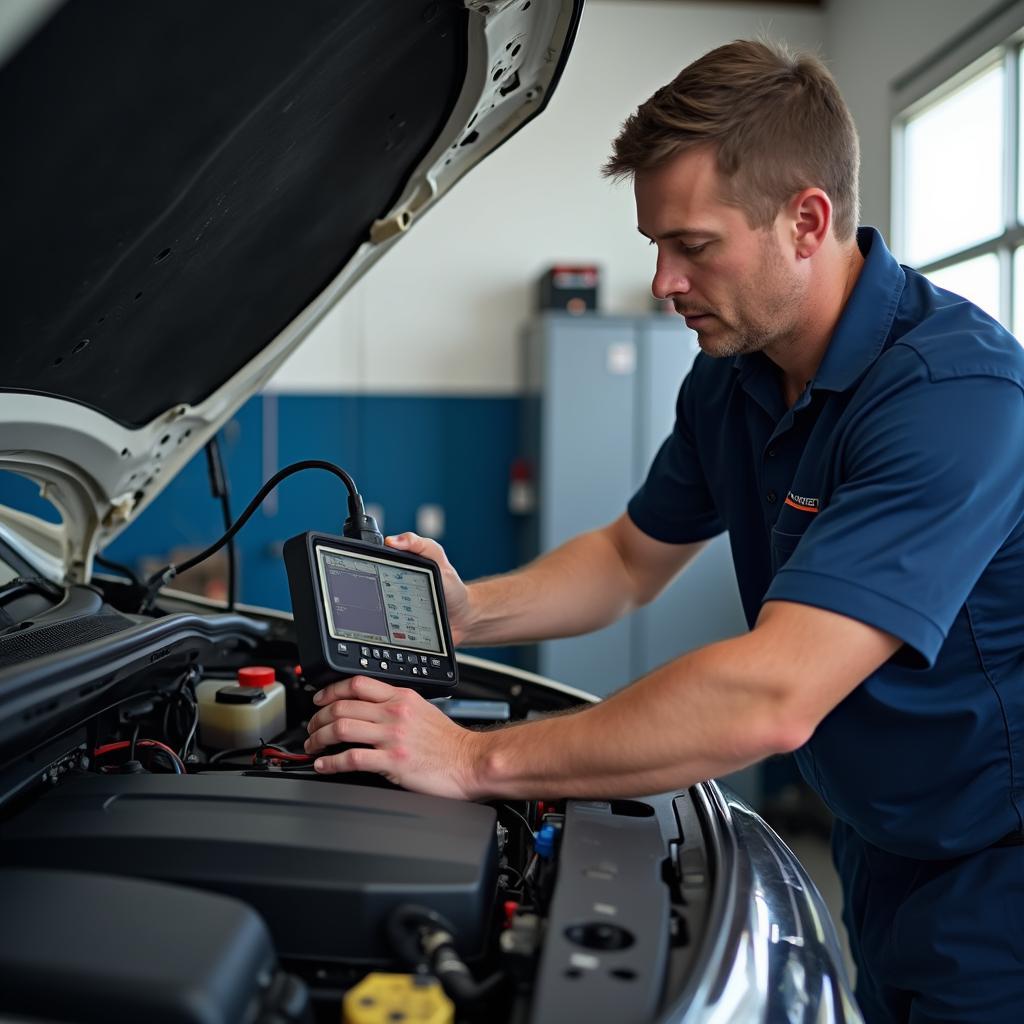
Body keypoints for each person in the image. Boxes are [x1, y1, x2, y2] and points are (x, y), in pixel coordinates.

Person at [306, 39, 1024, 1023]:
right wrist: (467, 611)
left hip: (997, 855)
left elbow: (772, 695)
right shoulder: (730, 380)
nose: (660, 282)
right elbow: (624, 560)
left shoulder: (954, 395)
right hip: (881, 839)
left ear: (806, 220)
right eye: (656, 244)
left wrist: (473, 759)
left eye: (692, 245)